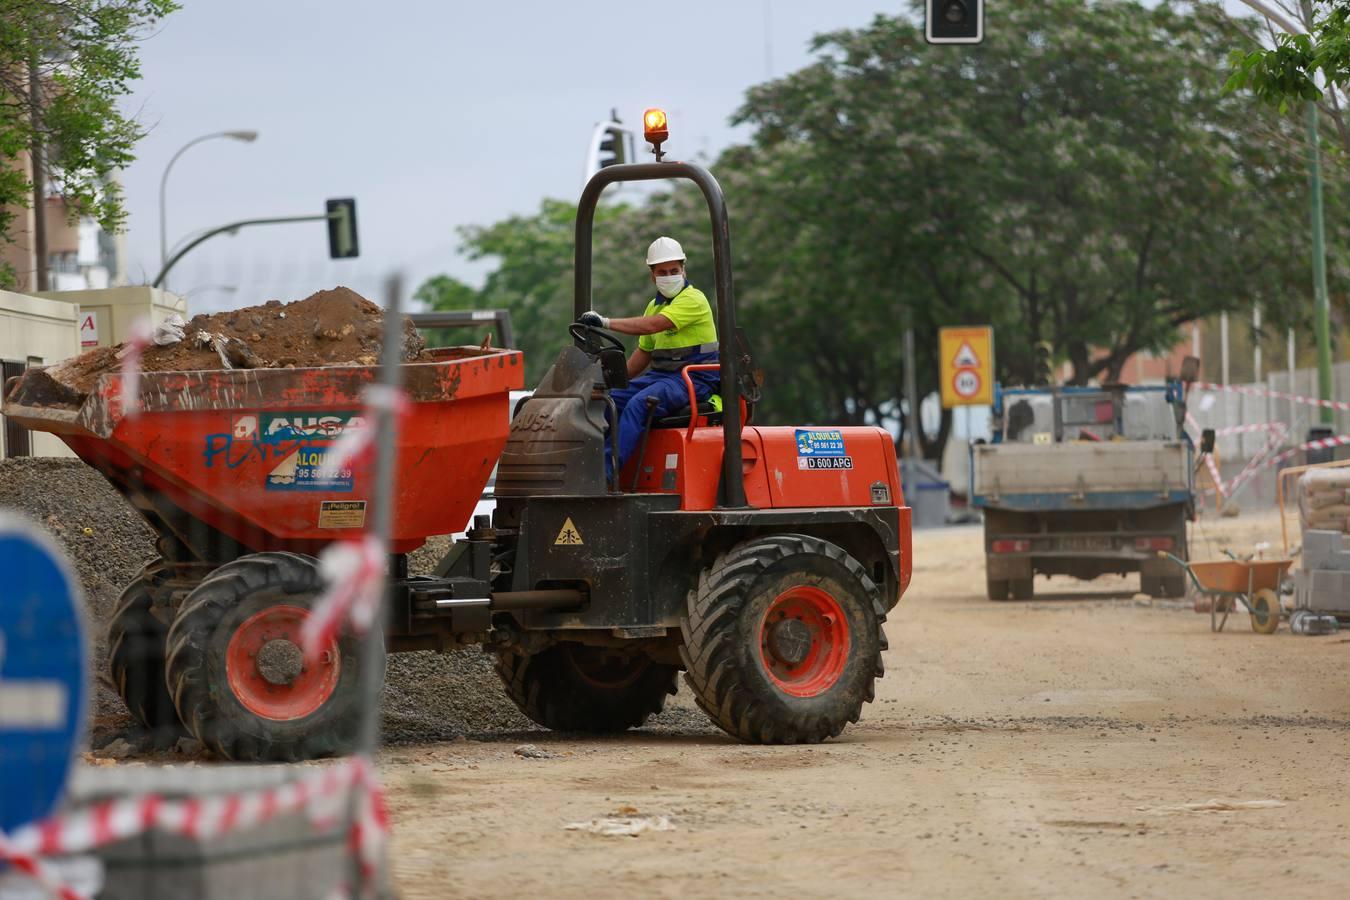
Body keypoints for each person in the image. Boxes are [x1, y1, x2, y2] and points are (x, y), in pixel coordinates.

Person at [577, 236, 719, 473]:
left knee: (639, 405)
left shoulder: (693, 299)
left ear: (683, 269)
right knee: (607, 402)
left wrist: (604, 322)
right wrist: (606, 384)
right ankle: (584, 468)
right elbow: (643, 354)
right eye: (662, 272)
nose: (669, 275)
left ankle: (605, 475)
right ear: (652, 275)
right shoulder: (654, 306)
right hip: (662, 377)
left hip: (694, 379)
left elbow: (653, 325)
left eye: (674, 270)